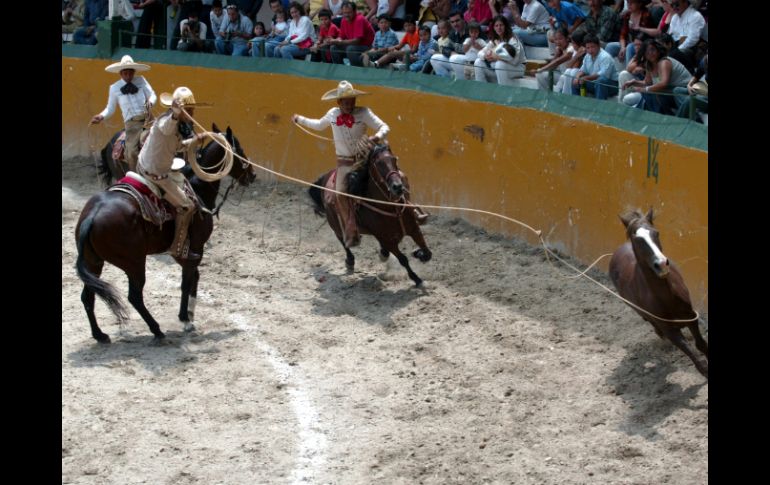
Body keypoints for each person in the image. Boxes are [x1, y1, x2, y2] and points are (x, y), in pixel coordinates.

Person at [291, 81, 391, 248]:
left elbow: (384, 126)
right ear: (338, 102)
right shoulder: (332, 114)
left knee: (389, 176)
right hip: (344, 163)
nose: (349, 105)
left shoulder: (364, 112)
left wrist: (376, 137)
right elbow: (318, 125)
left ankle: (410, 210)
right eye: (346, 103)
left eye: (352, 101)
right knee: (339, 193)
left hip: (364, 160)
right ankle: (350, 228)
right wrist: (299, 119)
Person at [136, 87, 208, 260]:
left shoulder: (175, 126)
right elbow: (167, 127)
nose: (192, 113)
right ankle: (177, 247)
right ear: (179, 110)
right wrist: (175, 114)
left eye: (192, 110)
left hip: (146, 165)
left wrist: (195, 141)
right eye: (189, 110)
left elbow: (178, 146)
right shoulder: (167, 121)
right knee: (187, 206)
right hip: (155, 174)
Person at [90, 55, 157, 173]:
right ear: (120, 73)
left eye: (130, 73)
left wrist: (150, 102)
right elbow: (110, 108)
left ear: (134, 72)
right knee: (132, 152)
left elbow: (153, 95)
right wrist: (101, 116)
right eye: (125, 73)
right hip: (132, 125)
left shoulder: (141, 80)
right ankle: (136, 175)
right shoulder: (114, 88)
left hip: (149, 119)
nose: (128, 76)